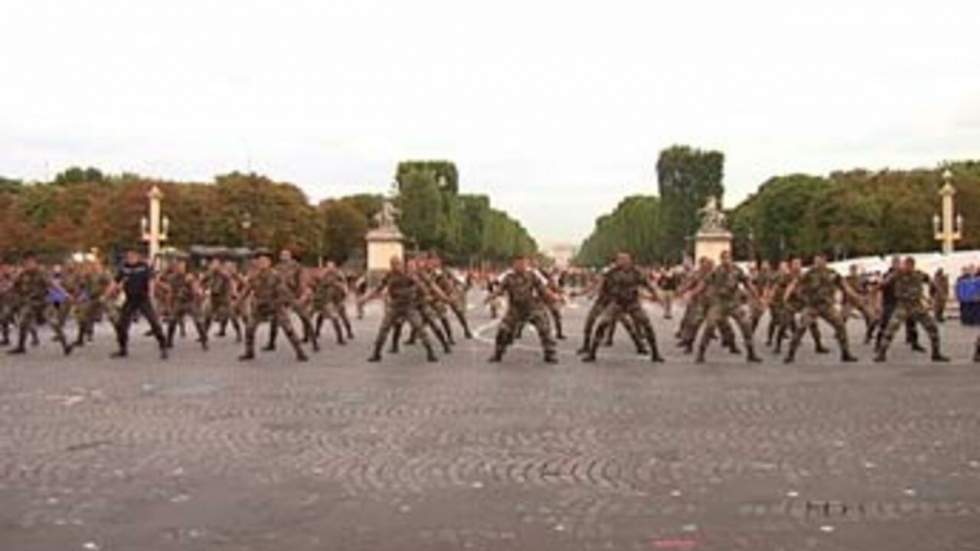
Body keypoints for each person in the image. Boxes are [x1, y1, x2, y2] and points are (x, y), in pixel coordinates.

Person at [581, 252, 664, 363]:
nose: (622, 262)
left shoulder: (636, 272)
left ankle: (655, 353)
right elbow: (602, 284)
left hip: (632, 303)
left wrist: (656, 296)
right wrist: (595, 293)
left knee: (646, 324)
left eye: (624, 259)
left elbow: (647, 284)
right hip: (617, 303)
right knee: (602, 324)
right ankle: (592, 353)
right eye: (620, 259)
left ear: (630, 260)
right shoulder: (612, 273)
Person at [359, 256, 440, 363]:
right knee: (383, 329)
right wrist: (366, 299)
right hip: (395, 306)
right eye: (393, 264)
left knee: (420, 328)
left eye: (397, 264)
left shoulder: (408, 275)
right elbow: (379, 288)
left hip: (408, 306)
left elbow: (420, 286)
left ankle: (430, 353)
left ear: (401, 264)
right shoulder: (389, 275)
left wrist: (426, 295)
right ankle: (376, 354)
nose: (395, 266)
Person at [782, 255, 859, 363]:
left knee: (840, 326)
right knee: (801, 328)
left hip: (827, 306)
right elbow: (795, 283)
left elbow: (845, 286)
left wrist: (855, 296)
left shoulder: (832, 273)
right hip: (812, 306)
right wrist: (787, 294)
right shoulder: (809, 273)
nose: (816, 263)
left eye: (819, 261)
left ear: (825, 261)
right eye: (815, 261)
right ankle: (790, 355)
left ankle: (845, 353)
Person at [485, 255, 558, 364]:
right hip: (515, 309)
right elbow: (500, 289)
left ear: (526, 264)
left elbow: (542, 289)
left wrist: (552, 296)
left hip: (532, 307)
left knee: (544, 328)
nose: (521, 266)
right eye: (518, 263)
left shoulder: (532, 276)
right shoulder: (508, 277)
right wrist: (491, 296)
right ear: (514, 265)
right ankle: (498, 353)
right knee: (503, 330)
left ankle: (549, 354)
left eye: (523, 263)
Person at [874, 256, 949, 363]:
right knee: (890, 329)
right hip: (903, 305)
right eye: (906, 264)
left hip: (916, 305)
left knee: (932, 328)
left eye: (910, 265)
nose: (908, 267)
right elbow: (884, 284)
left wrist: (936, 296)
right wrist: (873, 291)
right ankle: (881, 354)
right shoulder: (897, 274)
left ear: (913, 265)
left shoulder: (919, 274)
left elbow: (932, 283)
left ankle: (936, 353)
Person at [238, 252, 308, 362]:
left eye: (264, 262)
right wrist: (238, 302)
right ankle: (249, 352)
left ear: (269, 263)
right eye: (260, 262)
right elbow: (246, 290)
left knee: (288, 329)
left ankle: (300, 352)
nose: (262, 264)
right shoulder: (254, 277)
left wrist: (294, 303)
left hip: (275, 305)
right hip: (259, 306)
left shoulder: (275, 276)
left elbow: (284, 291)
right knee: (250, 328)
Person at [6, 253, 73, 356]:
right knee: (23, 322)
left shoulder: (41, 273)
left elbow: (53, 284)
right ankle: (21, 346)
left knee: (53, 322)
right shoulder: (22, 274)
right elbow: (13, 286)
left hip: (43, 302)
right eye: (26, 263)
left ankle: (66, 345)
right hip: (29, 302)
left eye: (31, 262)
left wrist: (65, 294)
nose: (28, 265)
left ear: (35, 263)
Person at [106, 249, 168, 359]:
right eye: (128, 256)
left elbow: (150, 281)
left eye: (132, 256)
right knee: (122, 325)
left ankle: (163, 347)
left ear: (137, 256)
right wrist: (107, 293)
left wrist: (151, 294)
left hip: (143, 298)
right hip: (130, 299)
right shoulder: (124, 267)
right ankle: (123, 349)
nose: (130, 258)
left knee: (154, 322)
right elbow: (115, 281)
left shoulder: (143, 267)